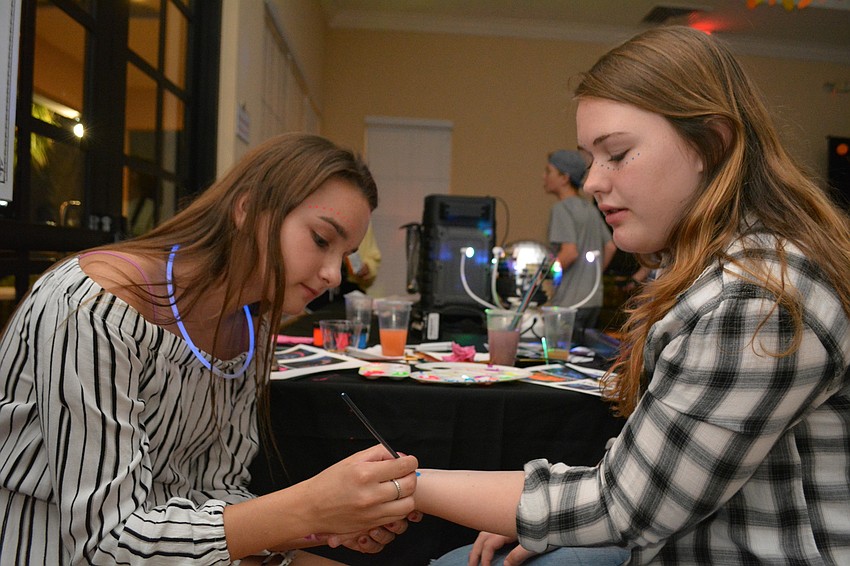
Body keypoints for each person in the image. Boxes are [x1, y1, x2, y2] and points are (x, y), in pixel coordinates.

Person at [417, 26, 850, 565]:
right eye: (588, 159)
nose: (594, 181)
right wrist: (551, 524)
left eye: (616, 154)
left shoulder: (761, 298)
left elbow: (624, 505)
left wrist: (405, 487)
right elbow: (647, 475)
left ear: (712, 145)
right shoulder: (718, 271)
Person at [0, 133, 420, 564]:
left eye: (346, 254)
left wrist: (328, 523)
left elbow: (214, 491)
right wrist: (308, 508)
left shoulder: (248, 326)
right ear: (247, 209)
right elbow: (108, 544)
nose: (334, 274)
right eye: (320, 239)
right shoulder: (94, 307)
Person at [543, 149, 617, 331]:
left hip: (569, 303)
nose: (543, 177)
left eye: (548, 171)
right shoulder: (590, 209)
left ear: (564, 178)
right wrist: (591, 275)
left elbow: (569, 253)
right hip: (592, 300)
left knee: (557, 356)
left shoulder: (562, 209)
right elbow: (610, 246)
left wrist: (544, 276)